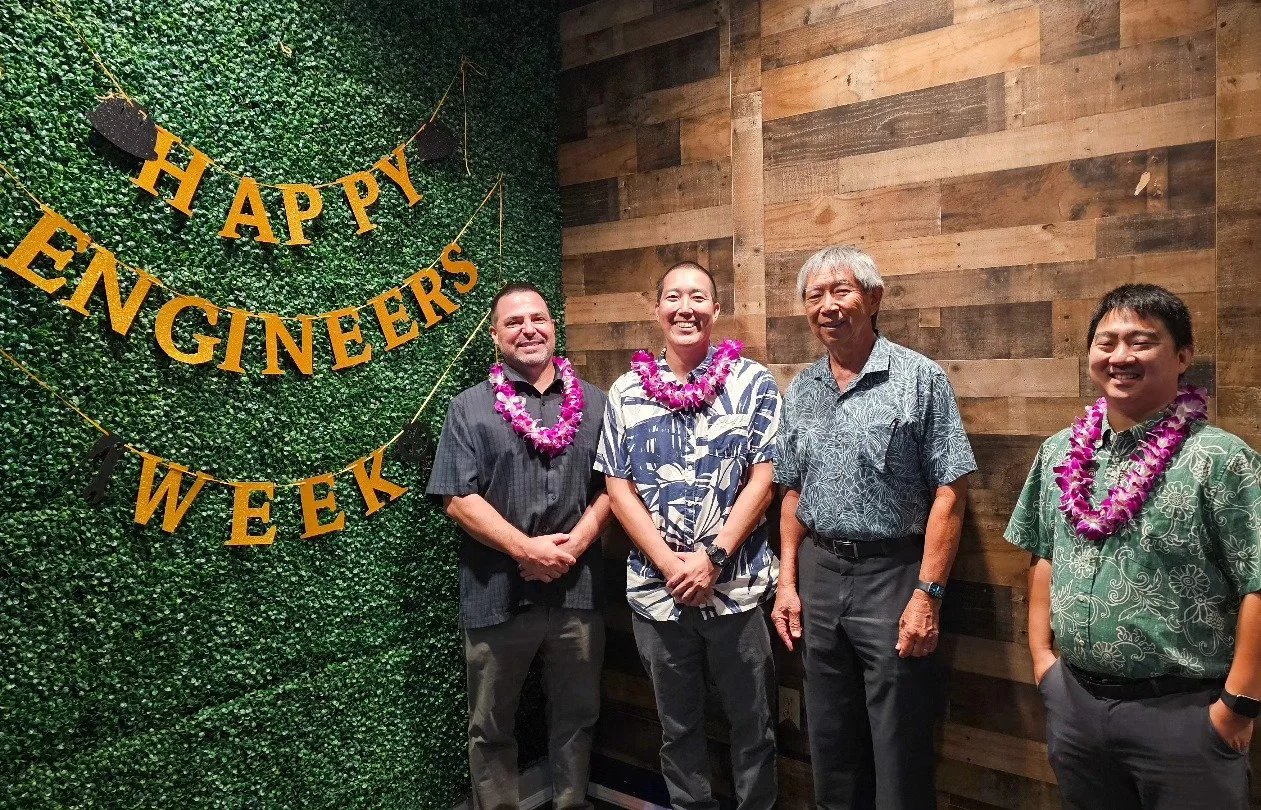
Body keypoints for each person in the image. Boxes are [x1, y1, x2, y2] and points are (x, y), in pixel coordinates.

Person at [1005, 283, 1260, 810]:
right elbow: (1043, 554)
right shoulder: (1059, 451)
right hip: (1074, 703)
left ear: (1183, 356)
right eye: (1107, 341)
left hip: (1186, 715)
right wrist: (1041, 661)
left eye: (1141, 342)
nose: (1120, 356)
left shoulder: (1221, 460)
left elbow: (1258, 583)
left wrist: (1237, 703)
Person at [771, 245, 976, 810]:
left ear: (874, 298)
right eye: (816, 296)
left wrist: (927, 594)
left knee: (898, 738)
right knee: (829, 735)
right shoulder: (803, 388)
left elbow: (951, 492)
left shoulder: (919, 378)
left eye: (842, 291)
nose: (828, 306)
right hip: (819, 571)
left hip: (894, 573)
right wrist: (788, 583)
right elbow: (791, 491)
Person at [595, 261, 781, 810]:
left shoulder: (753, 382)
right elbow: (617, 486)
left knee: (755, 727)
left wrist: (714, 558)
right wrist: (672, 565)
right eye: (673, 297)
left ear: (716, 310)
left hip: (738, 589)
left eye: (698, 297)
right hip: (657, 596)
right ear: (657, 311)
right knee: (678, 730)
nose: (685, 308)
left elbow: (765, 479)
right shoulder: (627, 391)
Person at [427, 282, 611, 810]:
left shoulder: (596, 403)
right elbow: (458, 499)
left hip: (577, 594)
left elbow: (614, 490)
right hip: (497, 595)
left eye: (538, 318)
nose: (528, 329)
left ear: (554, 327)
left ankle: (571, 803)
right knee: (491, 725)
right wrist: (526, 550)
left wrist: (570, 547)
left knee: (578, 714)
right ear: (495, 336)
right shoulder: (468, 409)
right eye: (513, 322)